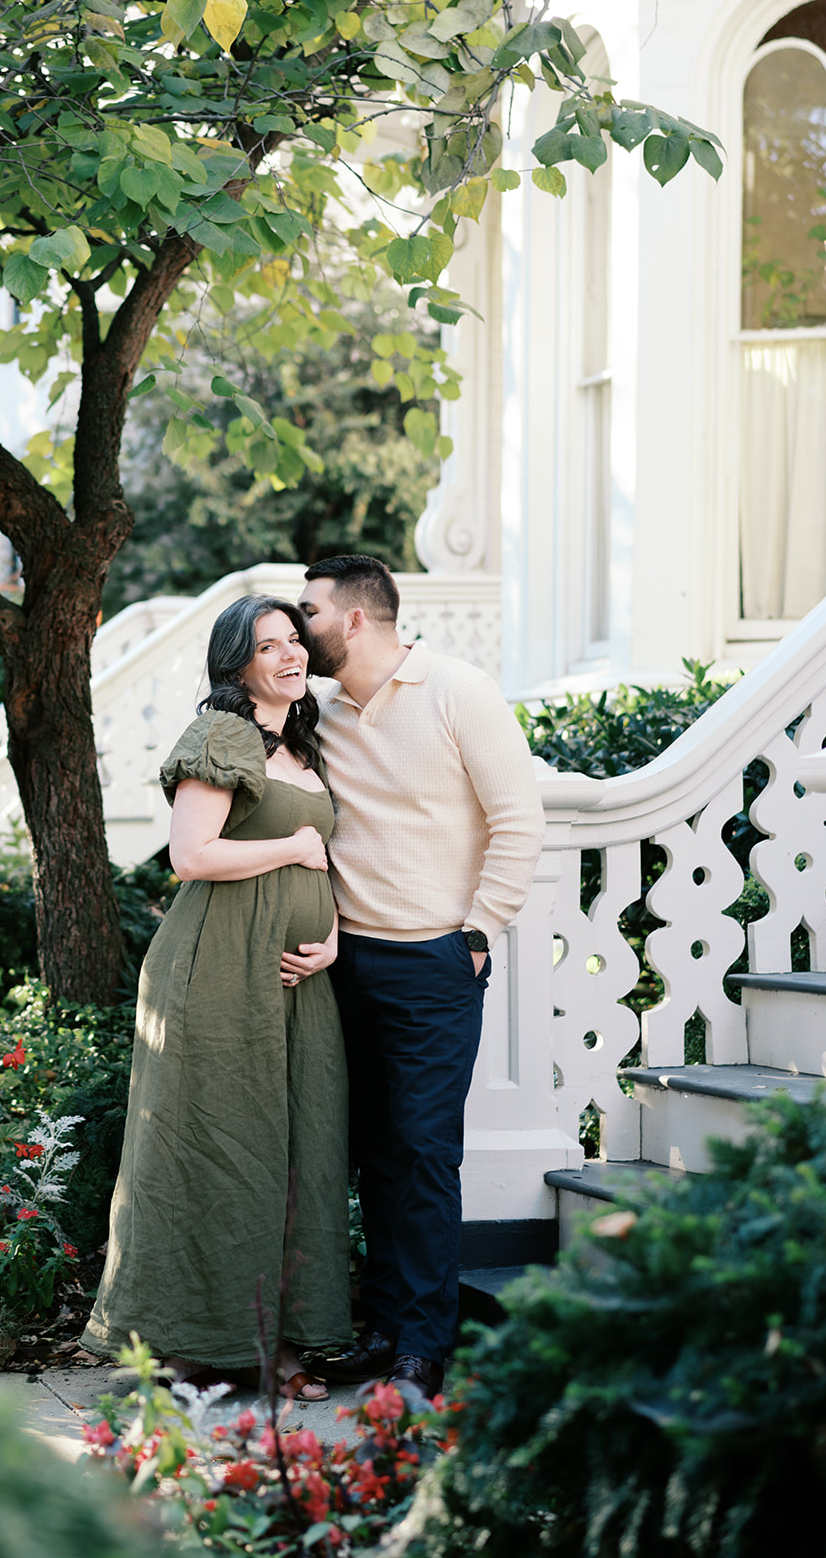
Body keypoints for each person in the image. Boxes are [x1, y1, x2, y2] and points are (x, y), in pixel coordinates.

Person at [286, 555, 546, 1411]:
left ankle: (425, 1349)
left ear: (354, 619)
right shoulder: (316, 712)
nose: (298, 623)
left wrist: (476, 936)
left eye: (310, 610)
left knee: (426, 1157)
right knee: (371, 1156)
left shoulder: (457, 691)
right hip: (343, 965)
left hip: (434, 964)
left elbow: (518, 820)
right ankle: (386, 1326)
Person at [82, 595, 352, 1400]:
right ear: (236, 665)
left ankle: (286, 1340)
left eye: (293, 642)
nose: (289, 656)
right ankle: (206, 1343)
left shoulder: (306, 746)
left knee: (302, 1147)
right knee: (218, 1149)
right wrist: (297, 845)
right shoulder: (223, 736)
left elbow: (318, 862)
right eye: (267, 647)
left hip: (299, 978)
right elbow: (191, 855)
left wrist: (331, 932)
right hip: (217, 971)